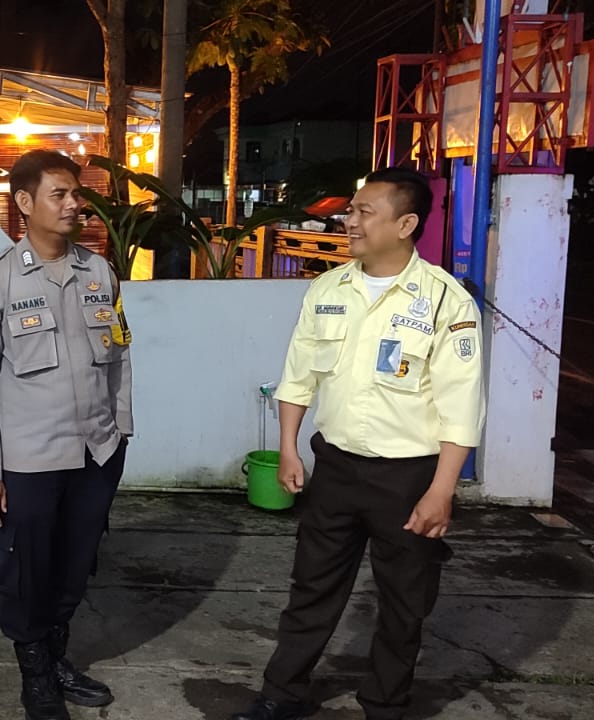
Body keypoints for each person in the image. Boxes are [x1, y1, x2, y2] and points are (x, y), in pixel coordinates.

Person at [232, 168, 486, 720]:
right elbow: (298, 377)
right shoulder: (328, 289)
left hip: (409, 477)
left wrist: (442, 490)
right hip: (337, 469)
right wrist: (290, 447)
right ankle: (281, 694)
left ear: (406, 224)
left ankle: (385, 705)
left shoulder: (445, 301)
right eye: (351, 210)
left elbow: (461, 406)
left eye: (364, 212)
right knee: (311, 588)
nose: (349, 221)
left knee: (404, 602)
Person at [0, 149, 134, 720]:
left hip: (95, 453)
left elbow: (119, 359)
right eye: (59, 194)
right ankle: (34, 675)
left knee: (74, 564)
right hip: (29, 459)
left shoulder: (99, 272)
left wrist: (121, 432)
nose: (73, 204)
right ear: (24, 202)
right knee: (26, 571)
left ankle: (57, 659)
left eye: (76, 194)